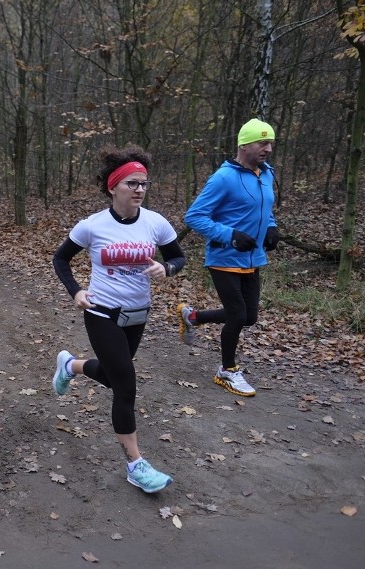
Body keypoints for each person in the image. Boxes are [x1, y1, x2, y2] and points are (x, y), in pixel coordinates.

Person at [51, 144, 186, 494]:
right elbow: (61, 259)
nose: (139, 189)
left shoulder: (156, 223)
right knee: (125, 386)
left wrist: (166, 267)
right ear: (113, 187)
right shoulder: (92, 226)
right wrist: (76, 291)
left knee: (114, 379)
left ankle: (71, 366)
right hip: (101, 314)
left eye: (143, 183)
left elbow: (178, 257)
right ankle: (136, 465)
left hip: (137, 315)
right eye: (132, 183)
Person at [177, 118, 279, 398]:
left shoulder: (266, 173)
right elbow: (194, 216)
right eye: (262, 142)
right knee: (236, 314)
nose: (268, 148)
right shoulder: (223, 178)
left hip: (253, 257)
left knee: (249, 317)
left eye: (271, 142)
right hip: (224, 257)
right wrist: (229, 234)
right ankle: (227, 370)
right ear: (244, 145)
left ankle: (194, 316)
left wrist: (271, 226)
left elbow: (265, 208)